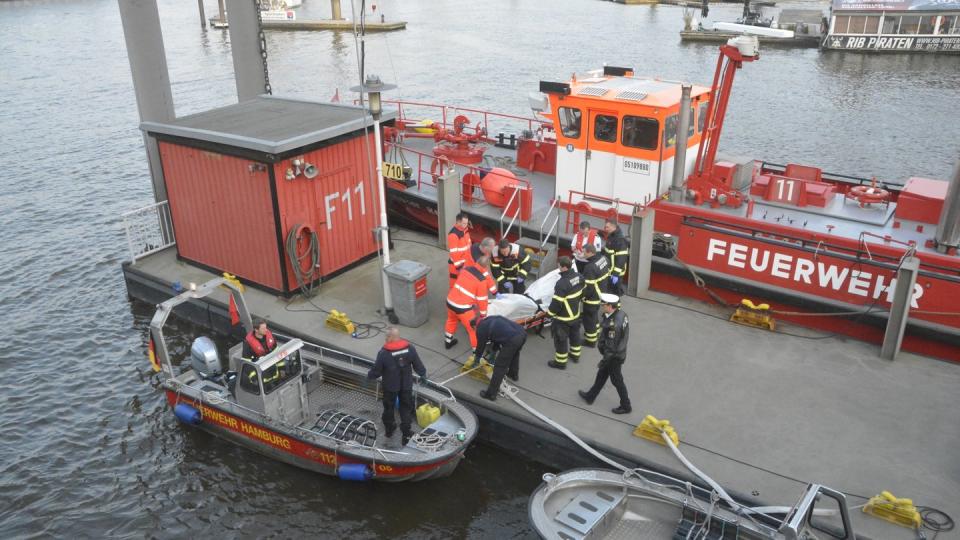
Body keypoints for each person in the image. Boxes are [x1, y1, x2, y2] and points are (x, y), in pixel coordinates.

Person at [367, 327, 427, 446]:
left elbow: (376, 371)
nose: (385, 339)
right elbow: (418, 364)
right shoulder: (410, 349)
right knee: (406, 408)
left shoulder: (384, 353)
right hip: (406, 385)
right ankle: (406, 433)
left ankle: (389, 429)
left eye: (386, 337)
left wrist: (369, 376)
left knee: (388, 408)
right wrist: (423, 374)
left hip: (390, 386)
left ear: (390, 337)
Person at [578, 294, 632, 414]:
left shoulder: (614, 326)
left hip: (613, 357)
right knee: (601, 376)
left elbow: (611, 347)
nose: (602, 307)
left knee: (617, 380)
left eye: (604, 305)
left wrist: (604, 361)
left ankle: (626, 406)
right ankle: (590, 396)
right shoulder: (622, 314)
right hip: (617, 353)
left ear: (610, 306)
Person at [444, 256, 498, 350]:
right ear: (486, 267)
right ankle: (476, 355)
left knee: (451, 320)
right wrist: (483, 316)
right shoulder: (481, 281)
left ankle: (448, 342)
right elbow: (482, 300)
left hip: (450, 301)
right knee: (473, 330)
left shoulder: (465, 269)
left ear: (477, 262)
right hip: (463, 309)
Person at [473, 316, 526, 402]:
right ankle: (513, 375)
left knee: (500, 366)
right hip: (522, 333)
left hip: (512, 339)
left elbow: (480, 346)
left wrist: (476, 359)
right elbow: (496, 337)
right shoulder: (489, 320)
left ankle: (491, 394)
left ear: (474, 326)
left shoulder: (480, 329)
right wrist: (493, 353)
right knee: (515, 354)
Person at [547, 256, 585, 370]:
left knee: (561, 340)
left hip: (563, 318)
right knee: (575, 335)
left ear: (563, 267)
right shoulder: (579, 277)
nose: (558, 267)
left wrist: (549, 313)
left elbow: (557, 303)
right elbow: (583, 291)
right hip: (575, 314)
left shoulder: (561, 283)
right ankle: (575, 355)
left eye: (558, 265)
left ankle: (560, 362)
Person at [581, 244, 611, 348]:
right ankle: (597, 330)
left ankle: (591, 340)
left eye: (584, 252)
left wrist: (583, 297)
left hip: (592, 298)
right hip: (602, 293)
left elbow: (588, 287)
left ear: (590, 252)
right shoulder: (603, 258)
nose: (582, 254)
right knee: (594, 315)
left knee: (588, 318)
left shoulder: (589, 267)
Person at [602, 219, 629, 296]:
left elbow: (621, 259)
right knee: (610, 290)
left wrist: (616, 274)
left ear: (613, 227)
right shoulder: (612, 235)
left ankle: (616, 306)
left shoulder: (620, 240)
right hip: (610, 270)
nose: (605, 229)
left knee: (615, 292)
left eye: (607, 227)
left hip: (616, 272)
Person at [447, 213, 472, 288]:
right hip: (456, 266)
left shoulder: (465, 231)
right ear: (458, 222)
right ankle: (451, 299)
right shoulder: (453, 235)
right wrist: (459, 267)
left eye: (467, 223)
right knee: (455, 285)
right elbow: (454, 253)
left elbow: (469, 246)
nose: (466, 225)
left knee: (463, 285)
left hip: (465, 263)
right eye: (464, 223)